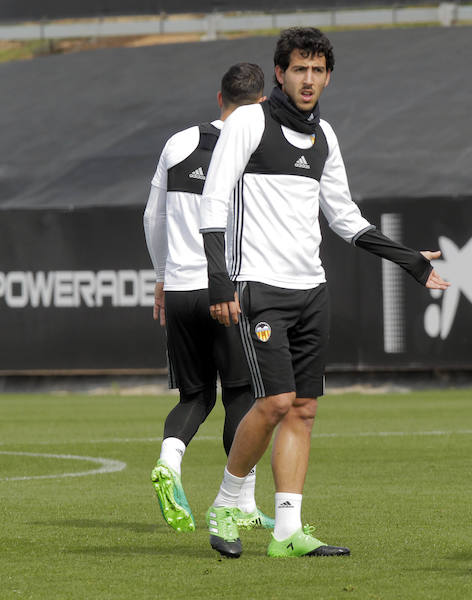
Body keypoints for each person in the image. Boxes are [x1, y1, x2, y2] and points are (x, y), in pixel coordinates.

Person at [198, 27, 449, 559]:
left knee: (304, 410)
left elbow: (344, 216)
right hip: (257, 286)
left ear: (327, 76)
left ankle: (288, 530)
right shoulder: (249, 121)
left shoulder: (325, 136)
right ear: (281, 74)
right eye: (299, 69)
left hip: (312, 290)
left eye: (318, 70)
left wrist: (406, 259)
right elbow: (213, 200)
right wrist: (220, 279)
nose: (309, 79)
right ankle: (226, 501)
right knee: (274, 402)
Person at [143, 63, 274, 534]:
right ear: (261, 104)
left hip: (179, 289)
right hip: (227, 288)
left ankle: (168, 463)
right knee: (242, 394)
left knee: (195, 395)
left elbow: (152, 218)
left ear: (219, 99)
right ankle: (240, 500)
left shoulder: (178, 143)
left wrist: (161, 276)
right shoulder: (257, 147)